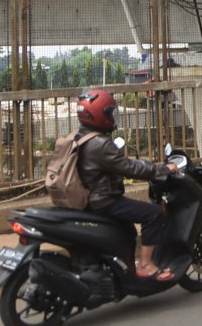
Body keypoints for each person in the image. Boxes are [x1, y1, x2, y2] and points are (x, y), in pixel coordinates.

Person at [74, 88, 179, 281]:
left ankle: (122, 269)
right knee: (154, 214)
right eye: (110, 112)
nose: (113, 117)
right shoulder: (100, 144)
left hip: (88, 200)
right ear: (98, 114)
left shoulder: (80, 137)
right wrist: (163, 169)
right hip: (104, 202)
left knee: (128, 230)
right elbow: (131, 168)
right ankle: (146, 265)